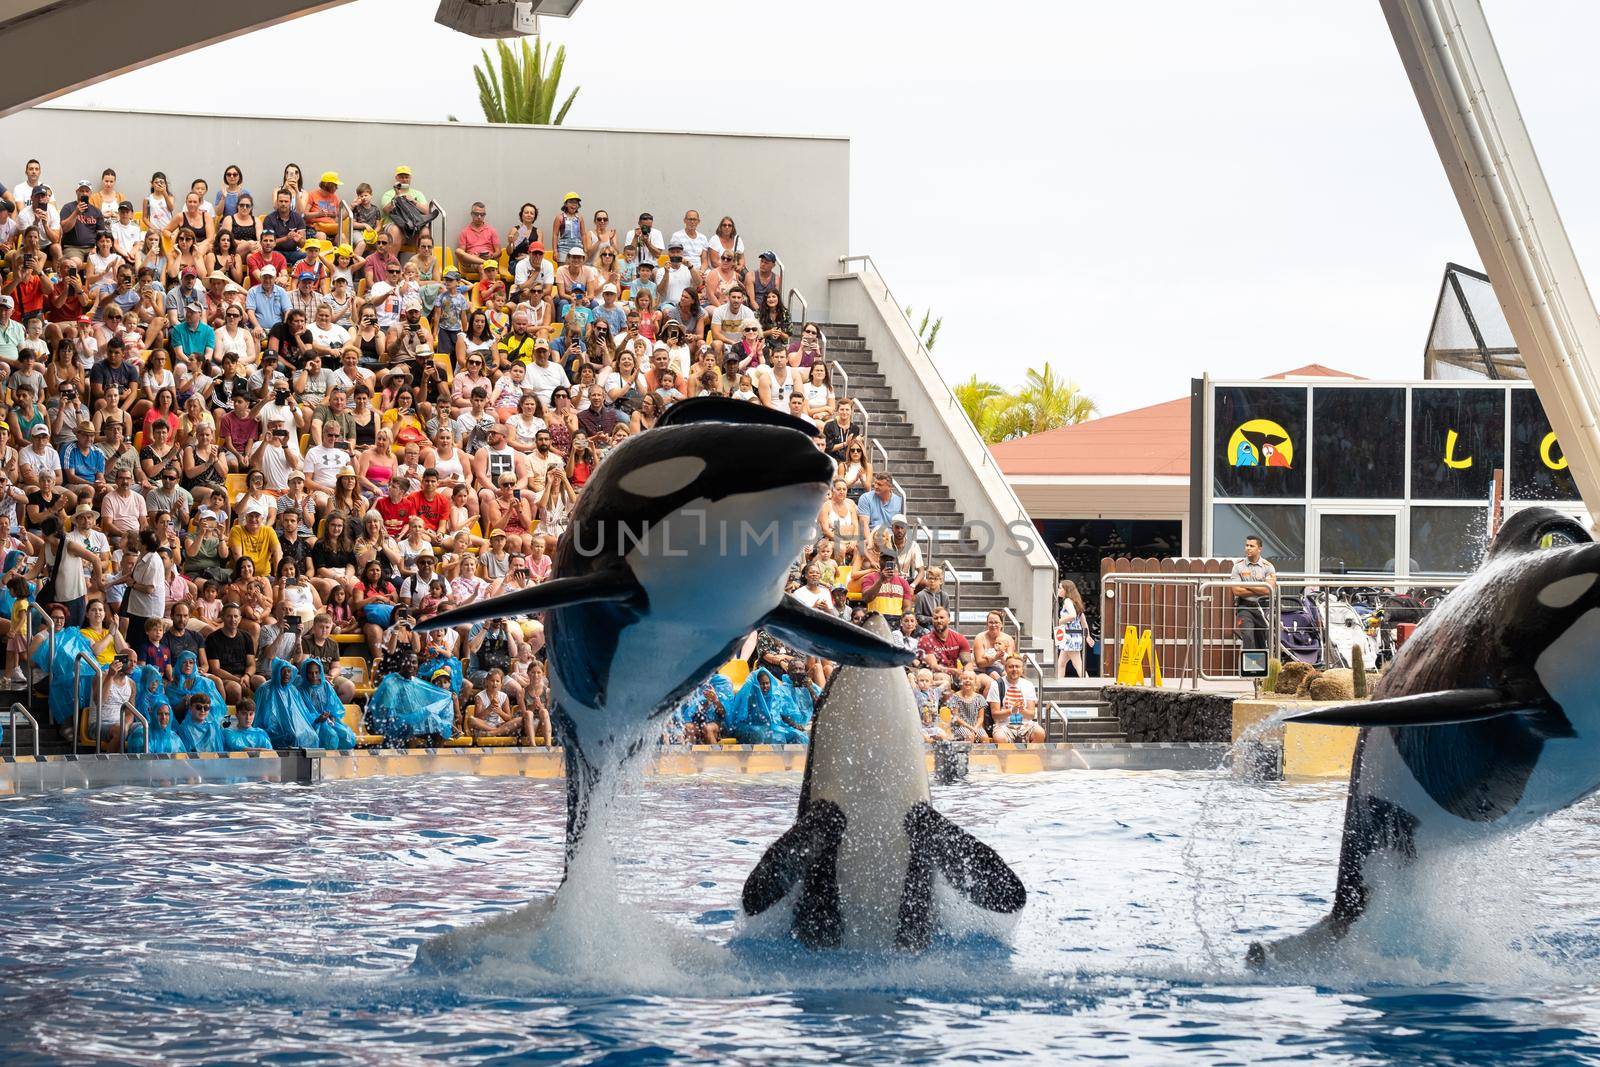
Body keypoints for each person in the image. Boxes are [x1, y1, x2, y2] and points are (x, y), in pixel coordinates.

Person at [1229, 535, 1276, 659]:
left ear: (1259, 548)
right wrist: (1259, 588)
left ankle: (1260, 674)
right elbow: (1236, 590)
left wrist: (1247, 585)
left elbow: (1268, 590)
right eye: (1246, 545)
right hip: (1244, 607)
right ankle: (1250, 670)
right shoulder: (1238, 566)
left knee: (1262, 639)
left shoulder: (1268, 566)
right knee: (1248, 636)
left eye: (1251, 546)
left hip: (1263, 608)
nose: (1248, 548)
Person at [297, 658, 357, 750]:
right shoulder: (301, 689)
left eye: (316, 672)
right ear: (305, 673)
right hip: (311, 724)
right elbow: (301, 714)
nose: (314, 676)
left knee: (346, 736)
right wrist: (317, 719)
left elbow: (334, 705)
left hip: (328, 720)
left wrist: (331, 715)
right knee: (331, 737)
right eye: (310, 673)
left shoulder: (325, 685)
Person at [992, 655, 1044, 743]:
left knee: (1040, 732)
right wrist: (1012, 710)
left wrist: (1021, 709)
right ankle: (1006, 757)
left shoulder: (1028, 685)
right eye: (1011, 666)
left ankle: (1033, 756)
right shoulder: (996, 684)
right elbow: (995, 715)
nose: (1014, 669)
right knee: (999, 737)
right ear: (1005, 668)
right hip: (1004, 725)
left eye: (1017, 666)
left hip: (1025, 724)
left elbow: (1031, 715)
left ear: (1022, 669)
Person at [1055, 579, 1094, 678]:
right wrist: (1087, 636)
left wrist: (1059, 621)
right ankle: (1060, 684)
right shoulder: (1076, 602)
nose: (1058, 590)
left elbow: (1072, 616)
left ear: (1066, 590)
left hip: (1069, 636)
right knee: (1061, 663)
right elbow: (1083, 622)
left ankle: (1088, 684)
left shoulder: (1067, 601)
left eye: (1060, 588)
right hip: (1074, 636)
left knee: (1078, 664)